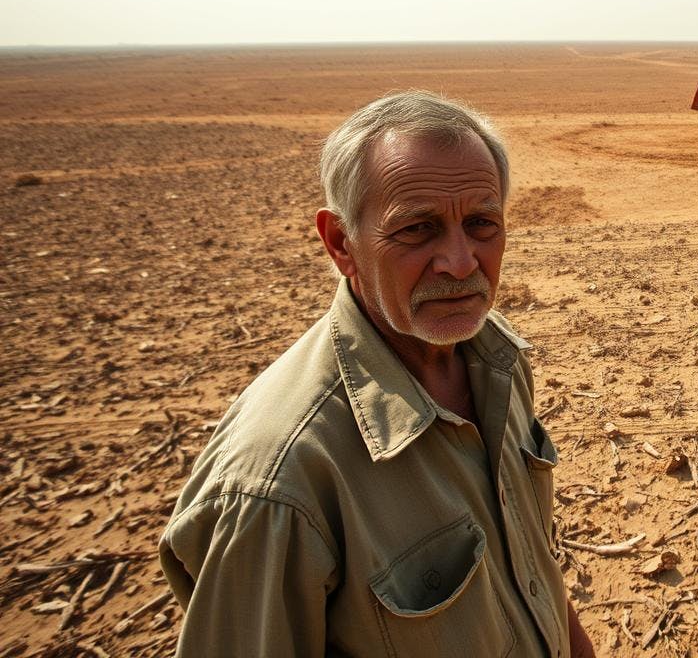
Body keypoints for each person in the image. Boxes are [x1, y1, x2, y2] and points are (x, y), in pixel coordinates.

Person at [159, 91, 595, 657]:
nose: (461, 262)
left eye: (483, 223)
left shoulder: (496, 360)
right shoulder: (278, 485)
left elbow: (527, 566)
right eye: (418, 229)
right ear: (342, 243)